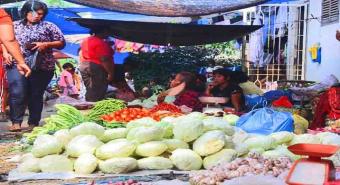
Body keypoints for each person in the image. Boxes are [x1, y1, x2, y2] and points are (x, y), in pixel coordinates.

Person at [6, 0, 65, 131]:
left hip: (42, 66)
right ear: (26, 12)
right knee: (17, 92)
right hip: (17, 64)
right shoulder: (14, 26)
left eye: (40, 14)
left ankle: (33, 122)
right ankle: (16, 122)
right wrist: (6, 53)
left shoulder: (49, 26)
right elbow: (4, 41)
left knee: (36, 94)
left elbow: (61, 42)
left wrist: (46, 45)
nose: (37, 16)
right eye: (34, 13)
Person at [79, 27, 114, 102]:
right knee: (99, 89)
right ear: (102, 32)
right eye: (107, 32)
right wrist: (110, 73)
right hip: (96, 66)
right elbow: (104, 59)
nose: (108, 34)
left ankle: (88, 104)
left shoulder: (86, 40)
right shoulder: (101, 43)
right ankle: (95, 106)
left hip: (83, 65)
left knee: (90, 88)